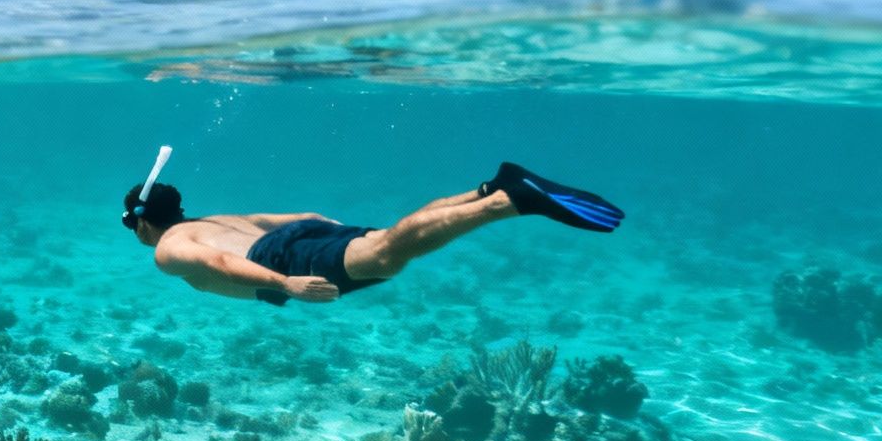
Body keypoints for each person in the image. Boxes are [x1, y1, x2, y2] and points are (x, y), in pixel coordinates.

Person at [123, 161, 622, 306]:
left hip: (277, 259)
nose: (136, 234)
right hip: (293, 237)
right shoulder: (211, 220)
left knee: (387, 254)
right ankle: (488, 187)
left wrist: (286, 284)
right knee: (390, 240)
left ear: (144, 221)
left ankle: (509, 201)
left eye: (132, 226)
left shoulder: (169, 247)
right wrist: (329, 230)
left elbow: (220, 266)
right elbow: (301, 212)